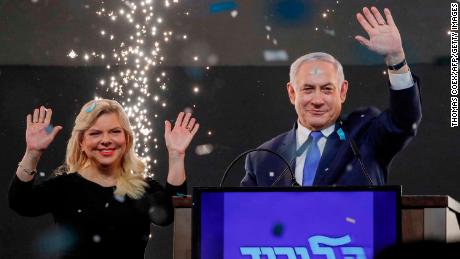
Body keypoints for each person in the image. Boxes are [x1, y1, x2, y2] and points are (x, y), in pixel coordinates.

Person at [241, 7, 422, 187]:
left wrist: (396, 58)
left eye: (327, 89)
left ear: (342, 91)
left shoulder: (366, 136)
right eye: (308, 89)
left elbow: (404, 121)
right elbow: (243, 212)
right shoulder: (263, 158)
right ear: (292, 93)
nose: (318, 100)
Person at [8, 99, 199, 258]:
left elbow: (175, 211)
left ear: (126, 139)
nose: (106, 140)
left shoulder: (142, 187)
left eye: (115, 131)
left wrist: (176, 155)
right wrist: (32, 153)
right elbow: (20, 202)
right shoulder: (66, 187)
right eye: (95, 133)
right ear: (81, 142)